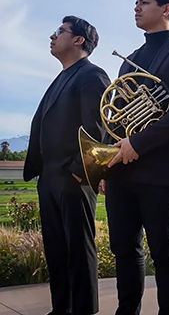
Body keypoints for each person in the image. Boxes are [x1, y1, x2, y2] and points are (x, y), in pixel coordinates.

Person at [101, 0, 169, 315]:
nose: (136, 7)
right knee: (123, 249)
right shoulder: (129, 60)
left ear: (166, 9)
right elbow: (115, 117)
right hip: (123, 170)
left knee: (165, 250)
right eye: (136, 3)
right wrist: (107, 162)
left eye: (144, 2)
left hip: (161, 170)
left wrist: (139, 144)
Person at [24, 16, 110, 315]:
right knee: (57, 252)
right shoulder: (62, 77)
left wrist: (77, 170)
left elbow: (98, 128)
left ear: (78, 40)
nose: (52, 36)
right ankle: (61, 309)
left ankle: (83, 310)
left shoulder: (91, 75)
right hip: (49, 178)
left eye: (60, 31)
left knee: (78, 251)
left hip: (73, 177)